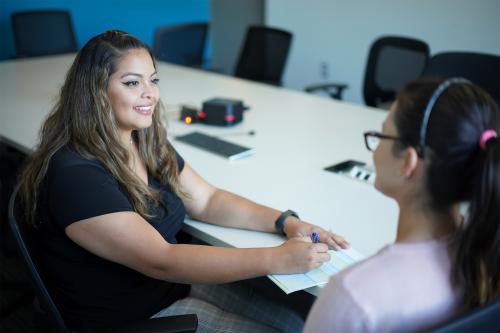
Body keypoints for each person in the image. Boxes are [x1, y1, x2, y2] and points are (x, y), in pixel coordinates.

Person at [17, 30, 349, 332]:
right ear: (95, 91)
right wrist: (277, 258)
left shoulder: (142, 140)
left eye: (153, 79)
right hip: (131, 318)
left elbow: (207, 200)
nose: (151, 94)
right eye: (132, 83)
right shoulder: (76, 174)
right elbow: (161, 259)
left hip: (166, 290)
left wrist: (285, 222)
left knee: (294, 322)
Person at [303, 77, 500, 332]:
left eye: (381, 135)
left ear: (408, 162)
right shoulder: (487, 257)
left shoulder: (354, 296)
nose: (374, 149)